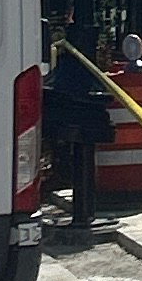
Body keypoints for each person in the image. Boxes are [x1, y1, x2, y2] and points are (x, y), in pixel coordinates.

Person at [38, 21, 114, 239]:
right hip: (74, 111)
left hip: (72, 110)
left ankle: (83, 214)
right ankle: (82, 214)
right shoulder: (72, 67)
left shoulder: (69, 67)